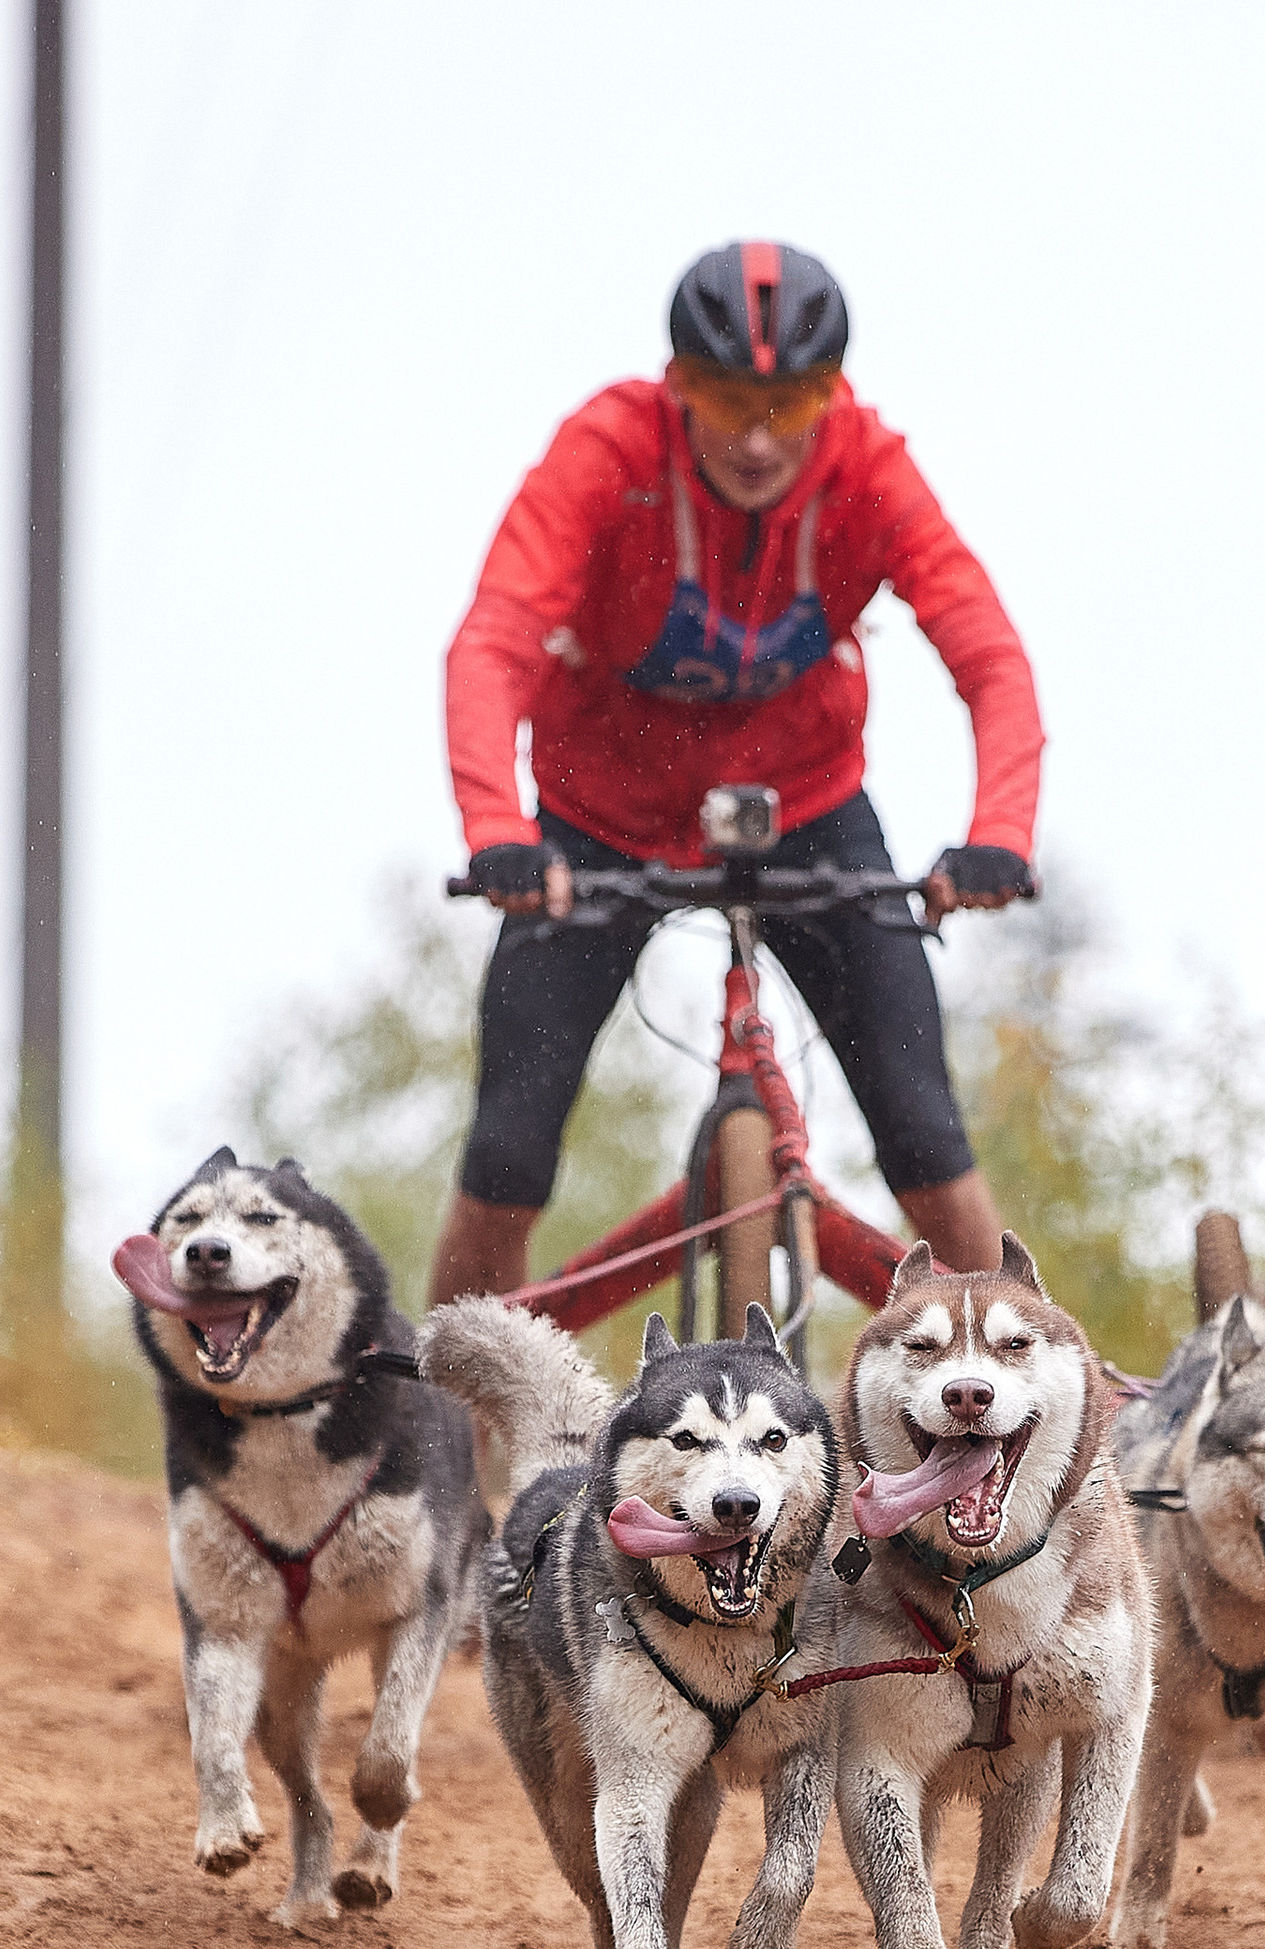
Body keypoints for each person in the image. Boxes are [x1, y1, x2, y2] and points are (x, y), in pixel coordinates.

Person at [429, 239, 1043, 1307]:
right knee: (508, 1155)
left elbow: (987, 652)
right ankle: (446, 1439)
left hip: (806, 807)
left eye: (794, 402)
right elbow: (494, 641)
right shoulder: (606, 448)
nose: (759, 437)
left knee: (924, 1131)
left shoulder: (866, 466)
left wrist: (999, 834)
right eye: (725, 398)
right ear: (678, 385)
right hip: (598, 819)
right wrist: (497, 833)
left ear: (832, 394)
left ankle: (1045, 1436)